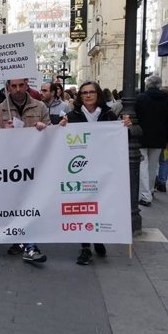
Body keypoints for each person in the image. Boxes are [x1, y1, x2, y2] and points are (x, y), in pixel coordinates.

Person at [59, 82, 132, 265]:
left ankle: (98, 238)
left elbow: (121, 139)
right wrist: (61, 127)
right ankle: (85, 247)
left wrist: (126, 127)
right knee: (83, 205)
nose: (88, 95)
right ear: (80, 96)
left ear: (98, 94)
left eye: (91, 92)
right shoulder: (71, 116)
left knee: (100, 203)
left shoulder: (109, 115)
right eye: (84, 93)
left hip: (103, 170)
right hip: (80, 170)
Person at [0, 78, 49, 263]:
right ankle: (20, 240)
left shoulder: (40, 107)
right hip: (11, 166)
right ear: (8, 87)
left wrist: (44, 128)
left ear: (27, 85)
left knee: (30, 203)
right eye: (13, 86)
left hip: (34, 165)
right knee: (16, 204)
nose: (17, 89)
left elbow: (51, 133)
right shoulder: (0, 109)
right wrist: (2, 133)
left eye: (21, 85)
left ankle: (30, 245)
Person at [135, 75, 168, 207]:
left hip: (142, 137)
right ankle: (150, 190)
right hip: (159, 138)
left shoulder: (140, 99)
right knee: (153, 165)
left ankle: (145, 195)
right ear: (159, 85)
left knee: (143, 165)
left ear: (147, 85)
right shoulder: (165, 100)